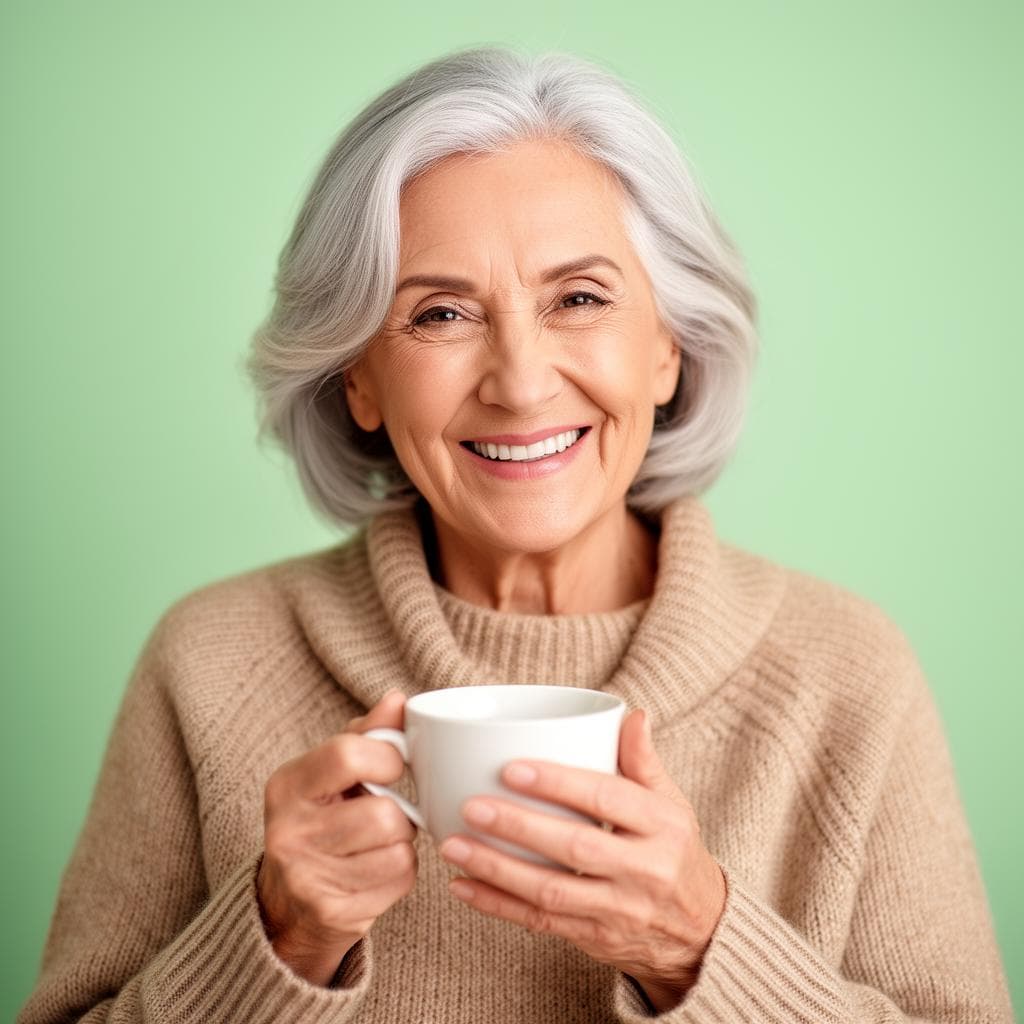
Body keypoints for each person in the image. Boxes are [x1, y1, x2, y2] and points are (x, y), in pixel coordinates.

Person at [18, 44, 1013, 1024]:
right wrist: (273, 939)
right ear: (356, 376)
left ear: (667, 345)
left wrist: (699, 946)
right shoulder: (211, 660)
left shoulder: (844, 674)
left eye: (578, 299)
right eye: (440, 313)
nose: (521, 382)